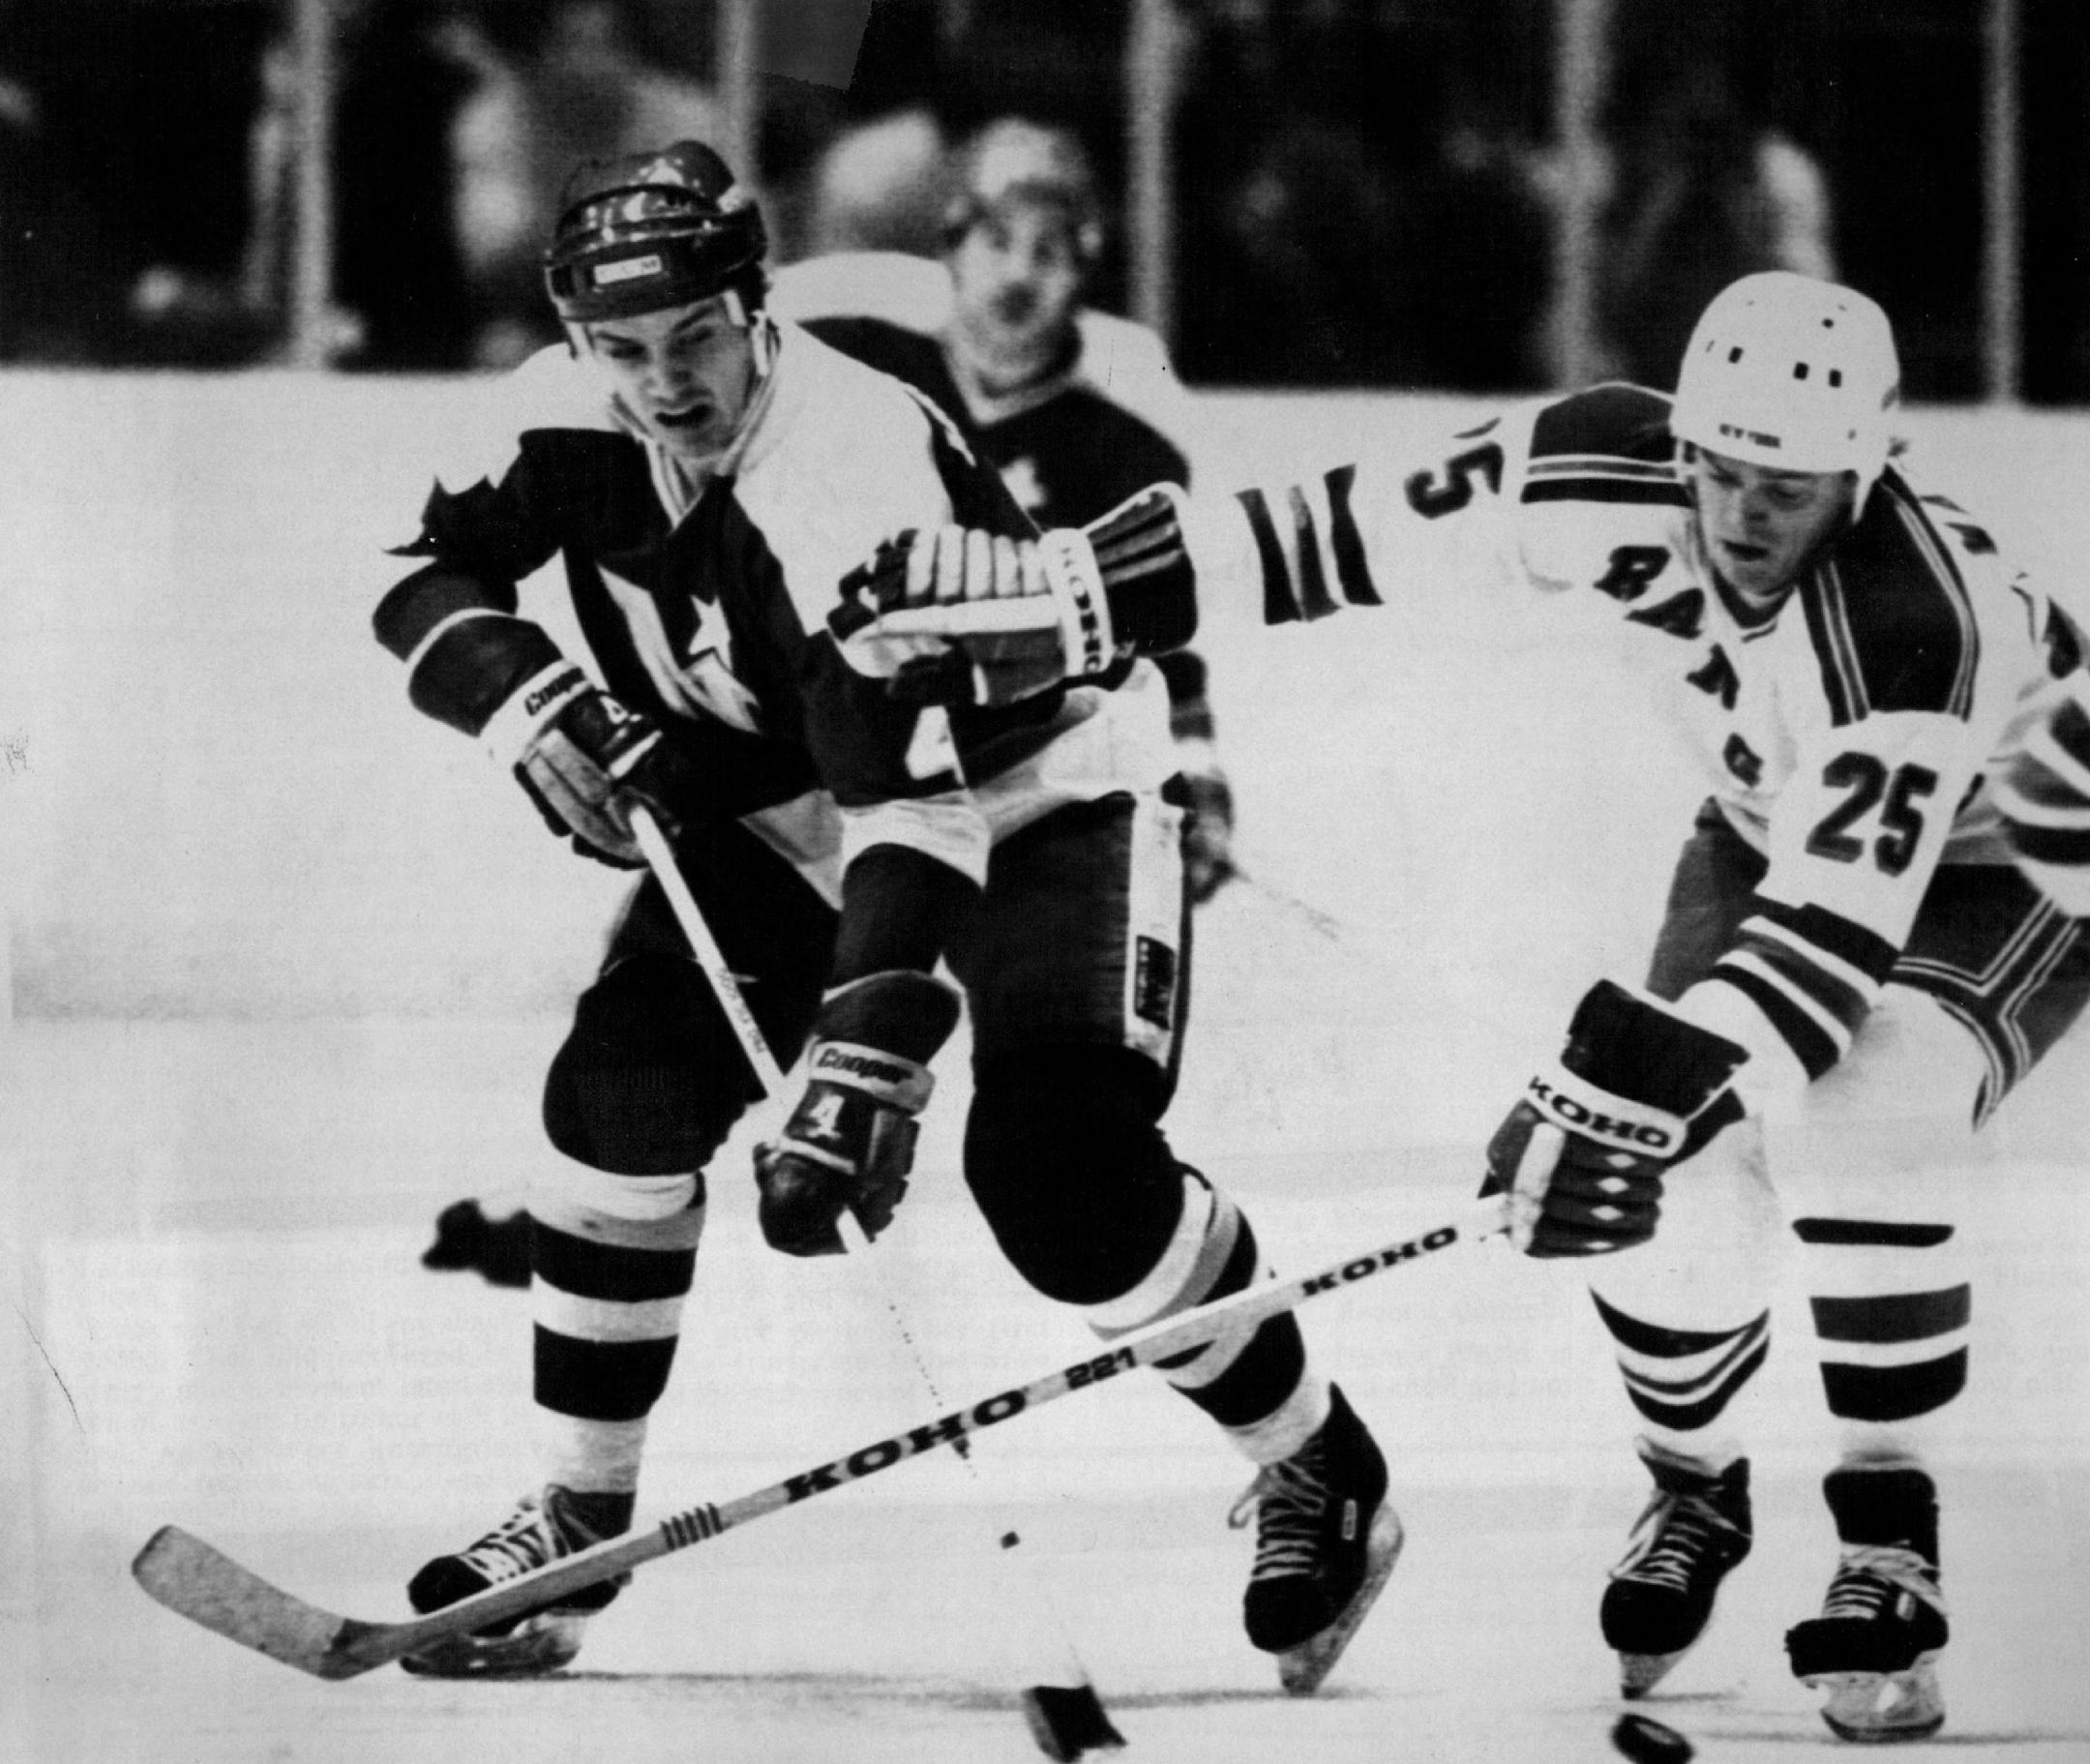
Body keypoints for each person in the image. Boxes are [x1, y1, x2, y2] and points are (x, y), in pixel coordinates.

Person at [827, 270, 2090, 1742]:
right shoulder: (1601, 458)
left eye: (1789, 487)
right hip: (1766, 830)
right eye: (1722, 468)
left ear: (1866, 473)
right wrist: (1063, 593)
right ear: (1682, 436)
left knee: (1869, 1110)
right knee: (1670, 1181)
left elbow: (1825, 954)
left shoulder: (1913, 623)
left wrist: (1629, 1089)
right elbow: (1324, 533)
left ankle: (1888, 1539)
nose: (1744, 514)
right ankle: (1694, 1487)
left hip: (2005, 859)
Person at [372, 138, 1396, 1691]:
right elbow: (422, 572)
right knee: (618, 1093)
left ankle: (1320, 1459)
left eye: (696, 337)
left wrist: (865, 1063)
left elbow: (916, 815)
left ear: (758, 309)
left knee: (1058, 1175)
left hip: (1036, 792)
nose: (665, 383)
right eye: (624, 350)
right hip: (795, 803)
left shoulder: (850, 475)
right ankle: (574, 1523)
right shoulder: (556, 414)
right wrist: (520, 699)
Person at [428, 116, 1240, 1287]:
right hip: (843, 765)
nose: (1019, 277)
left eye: (1052, 251)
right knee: (639, 1061)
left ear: (1088, 268)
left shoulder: (1121, 419)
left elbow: (1154, 622)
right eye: (998, 241)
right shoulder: (849, 324)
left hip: (1016, 779)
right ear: (949, 243)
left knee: (1054, 1159)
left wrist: (1201, 767)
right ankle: (599, 1184)